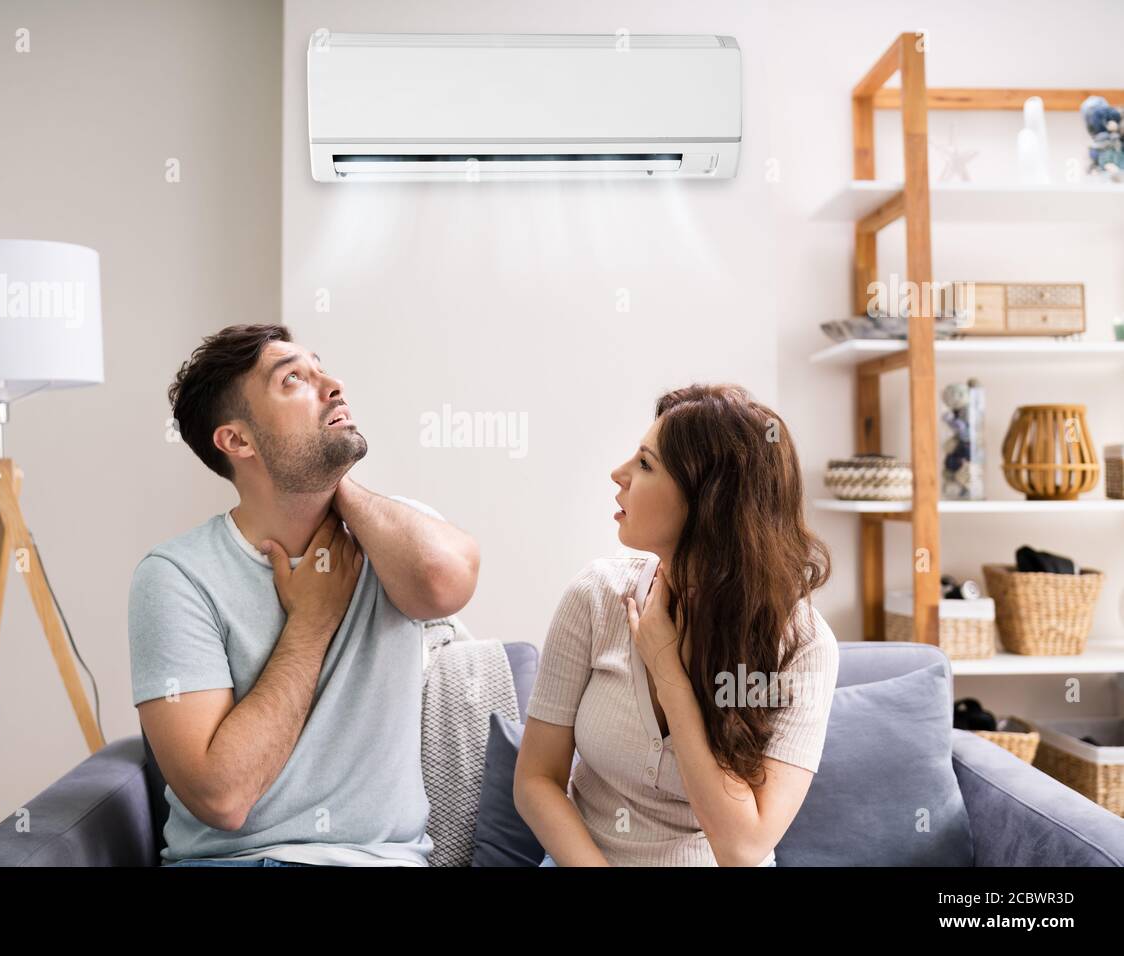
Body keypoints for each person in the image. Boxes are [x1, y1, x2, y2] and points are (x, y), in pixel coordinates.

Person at [129, 323, 479, 866]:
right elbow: (221, 797)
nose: (333, 384)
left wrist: (331, 483)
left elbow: (447, 582)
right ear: (238, 440)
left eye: (321, 368)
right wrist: (312, 621)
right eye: (293, 379)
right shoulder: (177, 576)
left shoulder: (392, 539)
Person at [514, 384, 839, 867]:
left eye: (645, 465)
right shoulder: (597, 596)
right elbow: (536, 779)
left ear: (708, 504)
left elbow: (743, 849)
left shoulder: (803, 645)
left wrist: (668, 673)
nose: (618, 474)